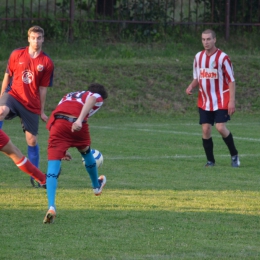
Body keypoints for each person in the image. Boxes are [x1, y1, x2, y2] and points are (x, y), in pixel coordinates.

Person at [43, 83, 108, 224]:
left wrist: (63, 149)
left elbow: (59, 111)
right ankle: (96, 186)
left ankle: (51, 207)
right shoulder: (95, 95)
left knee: (52, 169)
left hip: (57, 125)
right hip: (76, 123)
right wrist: (79, 119)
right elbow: (93, 99)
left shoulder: (69, 95)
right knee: (85, 151)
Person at [0, 25, 54, 187]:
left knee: (31, 140)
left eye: (39, 38)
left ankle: (36, 175)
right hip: (13, 96)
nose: (36, 41)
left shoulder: (46, 63)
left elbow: (43, 89)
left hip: (30, 103)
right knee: (1, 110)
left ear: (43, 39)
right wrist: (2, 96)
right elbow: (7, 76)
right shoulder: (17, 54)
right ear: (28, 39)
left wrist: (42, 111)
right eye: (33, 38)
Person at [185, 29, 240, 167]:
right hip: (204, 100)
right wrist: (191, 86)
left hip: (221, 99)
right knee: (206, 130)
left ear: (214, 40)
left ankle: (234, 155)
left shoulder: (223, 58)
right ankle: (210, 161)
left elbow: (231, 80)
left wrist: (232, 101)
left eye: (208, 39)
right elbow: (198, 77)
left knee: (220, 128)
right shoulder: (198, 57)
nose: (206, 42)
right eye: (203, 39)